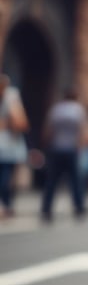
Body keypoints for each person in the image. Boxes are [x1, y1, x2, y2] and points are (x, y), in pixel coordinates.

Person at [40, 88, 88, 222]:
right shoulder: (78, 109)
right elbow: (82, 130)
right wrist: (81, 146)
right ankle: (79, 208)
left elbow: (48, 130)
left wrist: (46, 146)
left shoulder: (56, 109)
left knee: (52, 181)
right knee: (75, 181)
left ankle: (46, 209)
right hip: (71, 149)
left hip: (56, 149)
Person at [0, 74, 29, 219]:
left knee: (5, 178)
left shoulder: (11, 98)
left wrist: (12, 114)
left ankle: (7, 205)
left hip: (7, 148)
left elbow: (21, 124)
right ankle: (6, 205)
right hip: (6, 146)